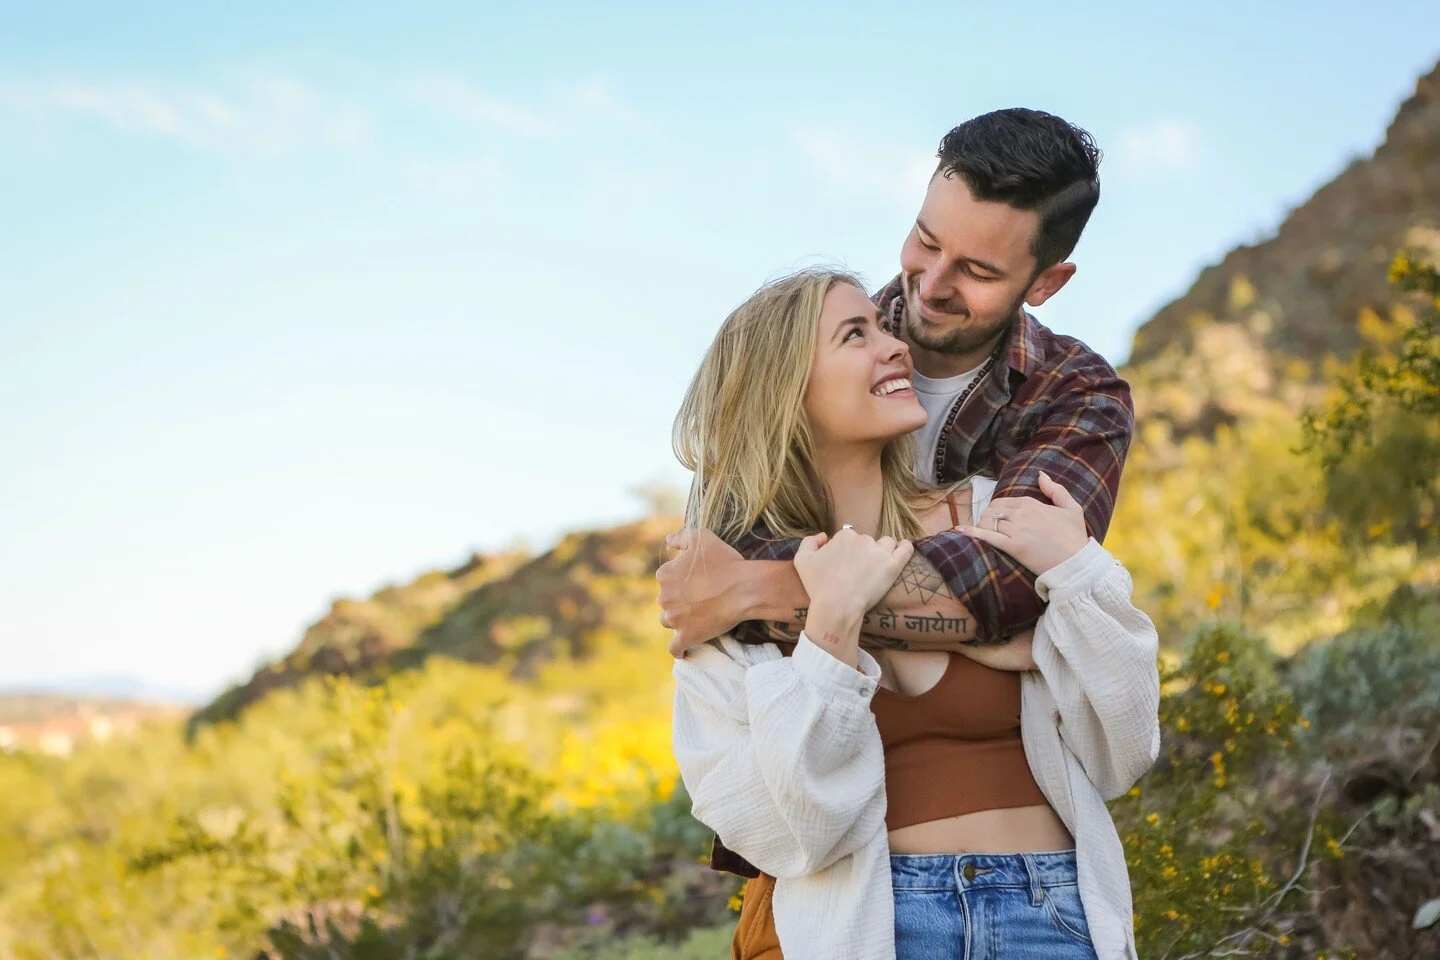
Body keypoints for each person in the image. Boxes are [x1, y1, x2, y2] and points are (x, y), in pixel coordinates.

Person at [670, 268, 1159, 960]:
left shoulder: (995, 515)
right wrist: (831, 627)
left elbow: (1125, 747)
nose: (895, 345)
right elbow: (785, 834)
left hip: (1048, 916)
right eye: (854, 334)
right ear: (787, 393)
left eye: (881, 326)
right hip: (875, 932)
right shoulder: (722, 595)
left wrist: (1079, 575)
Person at [658, 108, 1134, 656]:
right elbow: (713, 556)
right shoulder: (807, 340)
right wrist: (976, 630)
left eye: (978, 272)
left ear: (1046, 283)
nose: (931, 286)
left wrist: (753, 592)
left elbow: (1016, 584)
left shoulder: (1076, 393)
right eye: (927, 242)